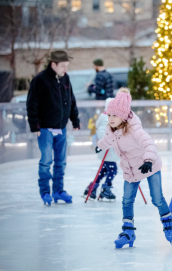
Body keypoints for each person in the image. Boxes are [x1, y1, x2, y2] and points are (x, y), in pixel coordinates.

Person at [96, 88, 172, 248]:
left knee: (157, 199)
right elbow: (106, 140)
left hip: (149, 165)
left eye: (114, 115)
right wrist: (100, 146)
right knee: (126, 201)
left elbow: (149, 143)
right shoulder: (110, 129)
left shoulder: (134, 128)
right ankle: (128, 233)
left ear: (123, 116)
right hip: (130, 169)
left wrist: (148, 159)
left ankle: (168, 222)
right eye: (109, 115)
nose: (110, 118)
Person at [26, 50, 80, 206]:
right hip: (44, 129)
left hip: (61, 128)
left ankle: (58, 191)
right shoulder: (40, 80)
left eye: (67, 66)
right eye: (63, 66)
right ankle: (45, 191)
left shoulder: (65, 78)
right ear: (53, 64)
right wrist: (34, 125)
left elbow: (71, 100)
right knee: (46, 161)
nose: (66, 69)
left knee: (61, 162)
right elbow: (32, 104)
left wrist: (75, 120)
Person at [83, 97, 119, 201]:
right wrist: (108, 140)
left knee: (103, 171)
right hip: (107, 150)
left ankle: (92, 188)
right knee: (113, 170)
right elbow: (101, 132)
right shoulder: (106, 118)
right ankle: (105, 189)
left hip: (109, 151)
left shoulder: (111, 117)